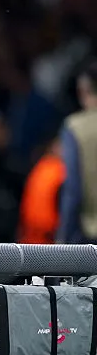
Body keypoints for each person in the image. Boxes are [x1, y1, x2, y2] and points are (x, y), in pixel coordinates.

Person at [57, 61, 97, 245]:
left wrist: (63, 239)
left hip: (91, 234)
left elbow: (73, 190)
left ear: (83, 91)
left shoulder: (75, 127)